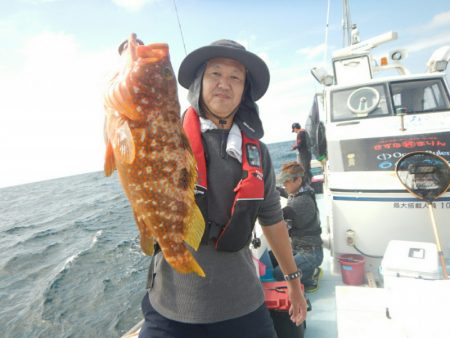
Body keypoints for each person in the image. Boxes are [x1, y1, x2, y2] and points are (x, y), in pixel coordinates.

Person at [138, 39, 308, 338]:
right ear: (198, 83)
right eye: (215, 74)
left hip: (242, 304)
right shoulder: (164, 139)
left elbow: (272, 219)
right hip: (170, 305)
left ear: (244, 92)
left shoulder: (258, 153)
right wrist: (138, 70)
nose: (224, 84)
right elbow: (130, 122)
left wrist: (293, 281)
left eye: (235, 78)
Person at [273, 161, 323, 293]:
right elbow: (286, 192)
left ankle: (309, 278)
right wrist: (272, 188)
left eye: (287, 181)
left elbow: (276, 216)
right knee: (273, 258)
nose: (284, 184)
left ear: (298, 179)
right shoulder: (304, 190)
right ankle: (307, 269)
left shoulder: (300, 202)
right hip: (299, 248)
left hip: (310, 253)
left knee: (279, 273)